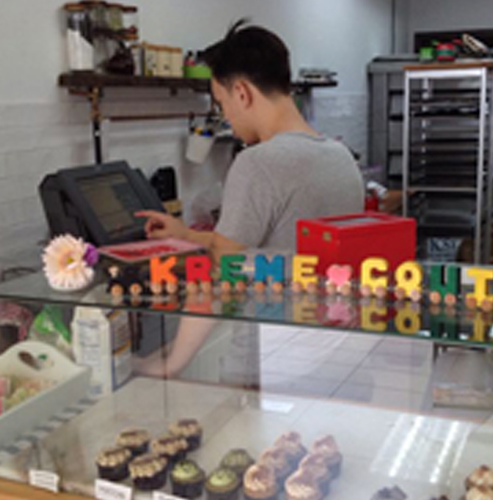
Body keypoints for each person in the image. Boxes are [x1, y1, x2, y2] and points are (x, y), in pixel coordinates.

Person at [133, 20, 364, 379]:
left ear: (241, 93)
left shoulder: (257, 163)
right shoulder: (340, 156)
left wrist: (171, 363)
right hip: (332, 357)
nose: (225, 115)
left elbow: (220, 274)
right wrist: (186, 234)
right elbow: (279, 249)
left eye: (221, 102)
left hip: (269, 365)